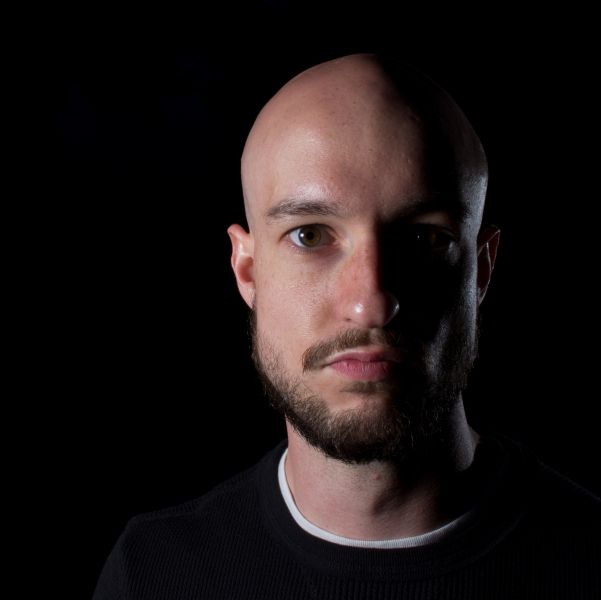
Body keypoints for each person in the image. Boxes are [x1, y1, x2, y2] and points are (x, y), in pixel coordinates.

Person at [92, 53, 600, 599]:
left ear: (481, 269)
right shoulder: (153, 575)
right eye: (310, 235)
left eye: (424, 238)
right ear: (248, 271)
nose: (370, 304)